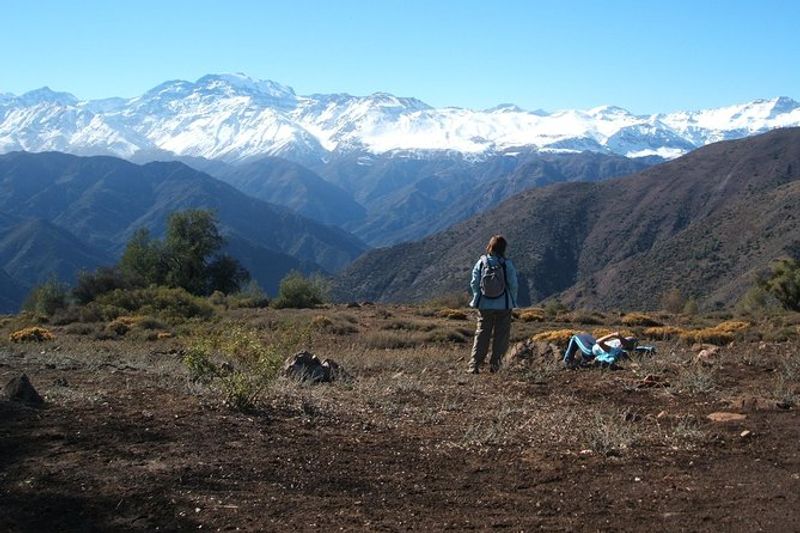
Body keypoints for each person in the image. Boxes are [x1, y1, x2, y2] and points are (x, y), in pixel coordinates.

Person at [467, 235, 519, 374]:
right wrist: (511, 299)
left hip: (484, 305)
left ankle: (474, 365)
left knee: (482, 334)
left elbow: (474, 282)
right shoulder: (506, 264)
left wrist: (478, 296)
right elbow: (513, 284)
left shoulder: (481, 262)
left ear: (490, 246)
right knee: (501, 336)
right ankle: (496, 366)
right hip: (504, 305)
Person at [562, 331, 638, 368]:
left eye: (624, 341)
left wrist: (613, 335)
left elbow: (599, 342)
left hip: (591, 349)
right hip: (595, 345)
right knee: (584, 334)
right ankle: (581, 360)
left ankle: (567, 361)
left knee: (575, 337)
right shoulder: (623, 351)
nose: (622, 341)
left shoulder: (615, 350)